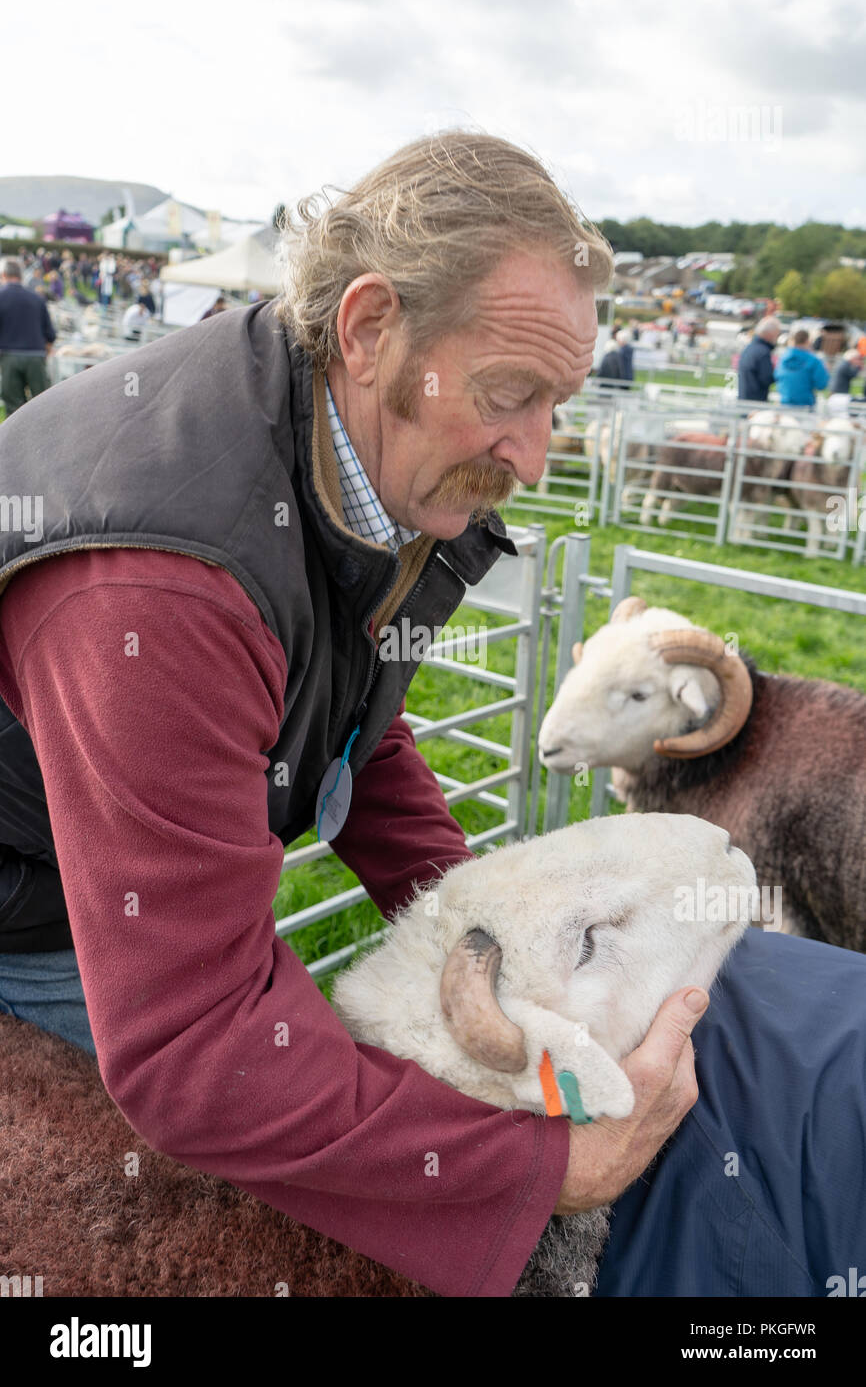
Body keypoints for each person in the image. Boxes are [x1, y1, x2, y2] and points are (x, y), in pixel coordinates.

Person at [0, 132, 862, 1300]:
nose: (536, 452)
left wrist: (487, 938)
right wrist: (539, 1161)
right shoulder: (160, 580)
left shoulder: (355, 439)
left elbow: (355, 706)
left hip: (141, 834)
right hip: (36, 895)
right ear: (367, 325)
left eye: (557, 402)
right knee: (198, 1216)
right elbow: (192, 1050)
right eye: (510, 394)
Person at [0, 256, 56, 415]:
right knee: (42, 404)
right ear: (21, 275)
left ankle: (15, 440)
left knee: (13, 409)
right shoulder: (37, 299)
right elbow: (50, 335)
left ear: (3, 274)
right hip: (36, 355)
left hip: (8, 356)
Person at [775, 327, 830, 406]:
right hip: (805, 405)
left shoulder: (782, 359)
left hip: (784, 404)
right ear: (807, 341)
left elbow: (777, 377)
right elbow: (821, 385)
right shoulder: (813, 360)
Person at [736, 315, 780, 401]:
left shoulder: (750, 348)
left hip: (744, 400)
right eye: (776, 334)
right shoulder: (762, 352)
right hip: (756, 403)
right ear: (769, 334)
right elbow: (767, 378)